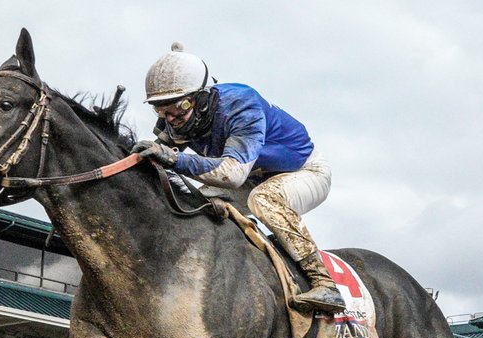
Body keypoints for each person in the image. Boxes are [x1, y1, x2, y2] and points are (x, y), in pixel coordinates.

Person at [133, 43, 345, 312]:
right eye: (161, 111)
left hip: (304, 172)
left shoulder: (241, 104)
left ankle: (324, 282)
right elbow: (156, 156)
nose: (171, 119)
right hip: (253, 178)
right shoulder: (178, 118)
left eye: (179, 106)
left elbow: (232, 174)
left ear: (201, 97)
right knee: (196, 199)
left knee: (264, 200)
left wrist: (174, 158)